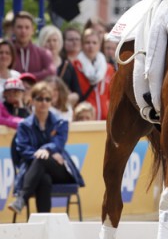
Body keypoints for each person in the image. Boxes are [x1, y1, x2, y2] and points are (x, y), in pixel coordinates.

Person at [8, 81, 84, 214]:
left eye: (47, 99)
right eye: (39, 99)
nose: (44, 102)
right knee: (44, 178)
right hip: (34, 171)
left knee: (43, 158)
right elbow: (23, 149)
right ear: (32, 101)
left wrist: (46, 150)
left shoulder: (61, 123)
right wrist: (44, 153)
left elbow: (59, 144)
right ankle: (44, 224)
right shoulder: (24, 125)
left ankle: (22, 199)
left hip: (59, 169)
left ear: (51, 102)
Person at [73, 28, 114, 120]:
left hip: (104, 119)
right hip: (84, 118)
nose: (91, 46)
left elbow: (110, 96)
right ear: (82, 45)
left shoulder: (109, 68)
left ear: (99, 45)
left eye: (94, 43)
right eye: (87, 42)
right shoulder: (75, 66)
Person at [38, 25, 82, 106]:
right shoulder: (37, 63)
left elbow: (77, 92)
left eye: (55, 40)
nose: (52, 44)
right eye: (48, 41)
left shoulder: (67, 64)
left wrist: (64, 99)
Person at [11, 11, 56, 80]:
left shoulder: (43, 53)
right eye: (19, 27)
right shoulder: (5, 51)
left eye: (27, 27)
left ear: (32, 30)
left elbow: (51, 72)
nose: (23, 31)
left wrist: (26, 78)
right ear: (13, 29)